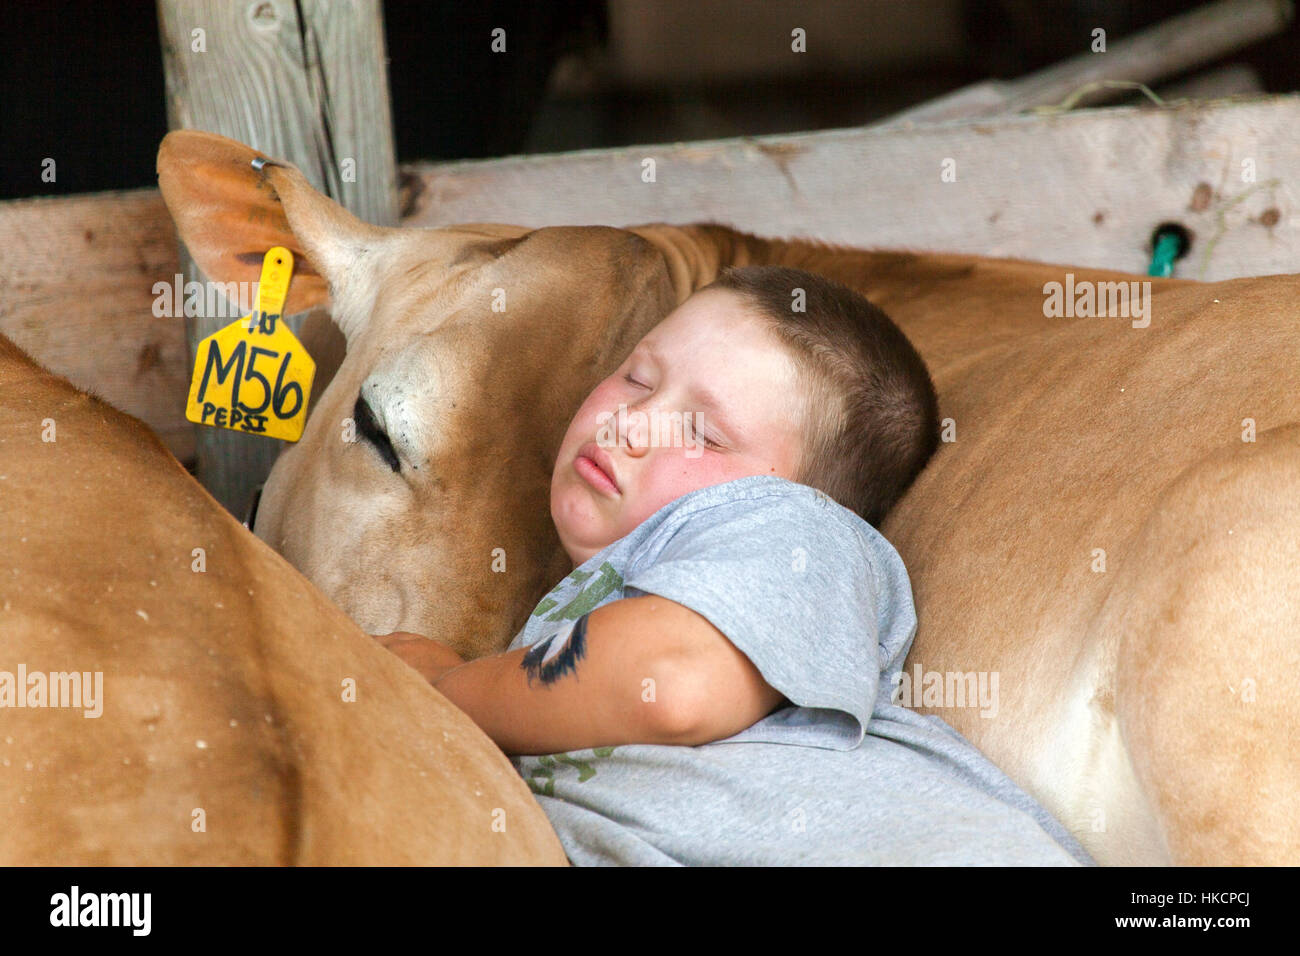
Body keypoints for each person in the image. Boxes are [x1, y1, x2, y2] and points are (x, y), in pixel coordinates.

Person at [376, 265, 1094, 866]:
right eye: (637, 376)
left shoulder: (801, 535)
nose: (631, 422)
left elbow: (670, 683)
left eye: (704, 431)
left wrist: (443, 687)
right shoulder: (600, 598)